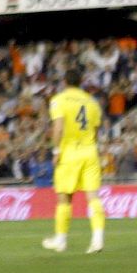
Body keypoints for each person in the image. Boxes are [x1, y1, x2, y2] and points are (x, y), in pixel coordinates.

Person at [41, 68, 106, 254]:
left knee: (64, 197)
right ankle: (97, 239)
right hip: (90, 151)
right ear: (80, 82)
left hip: (69, 152)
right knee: (93, 197)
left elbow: (58, 127)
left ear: (65, 82)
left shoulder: (59, 100)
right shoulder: (92, 102)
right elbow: (95, 130)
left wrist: (55, 151)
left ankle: (60, 240)